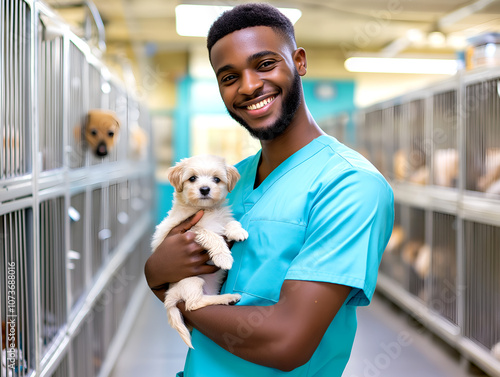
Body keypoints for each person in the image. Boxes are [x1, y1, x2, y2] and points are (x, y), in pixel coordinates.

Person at [144, 3, 394, 376]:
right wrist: (162, 269)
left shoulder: (351, 185)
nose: (248, 86)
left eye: (265, 64)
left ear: (299, 62)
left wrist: (166, 290)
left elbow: (286, 342)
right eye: (228, 77)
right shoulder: (233, 179)